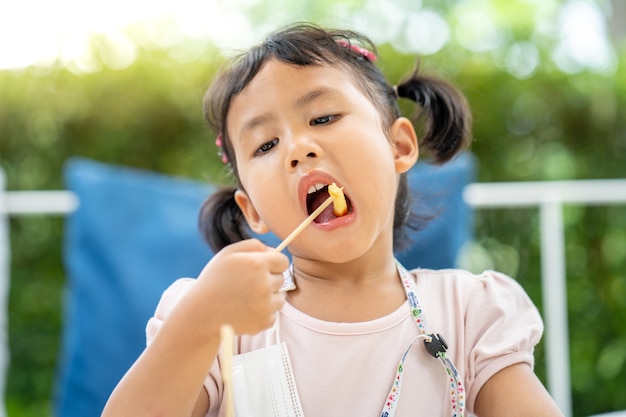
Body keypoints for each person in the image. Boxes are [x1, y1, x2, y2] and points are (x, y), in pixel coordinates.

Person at [101, 23, 564, 417]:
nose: (298, 148)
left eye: (323, 117)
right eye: (265, 145)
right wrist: (201, 319)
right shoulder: (220, 321)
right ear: (253, 211)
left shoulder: (469, 313)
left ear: (399, 146)